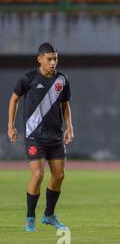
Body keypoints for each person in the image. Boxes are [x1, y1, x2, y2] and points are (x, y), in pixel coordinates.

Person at [8, 42, 74, 232]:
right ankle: (30, 218)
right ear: (40, 59)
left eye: (55, 59)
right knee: (37, 175)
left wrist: (69, 127)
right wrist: (10, 126)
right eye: (49, 59)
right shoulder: (28, 78)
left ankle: (49, 215)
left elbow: (65, 104)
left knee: (59, 175)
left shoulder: (62, 79)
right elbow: (14, 99)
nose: (53, 62)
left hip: (55, 136)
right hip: (34, 136)